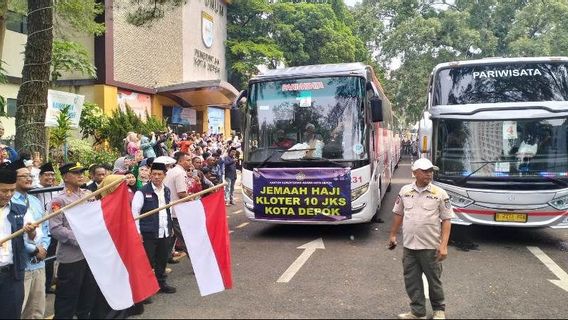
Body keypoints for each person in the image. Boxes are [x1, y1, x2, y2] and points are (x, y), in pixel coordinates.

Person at [388, 158, 454, 320]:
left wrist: (443, 245)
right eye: (425, 171)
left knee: (434, 280)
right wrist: (393, 234)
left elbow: (447, 220)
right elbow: (398, 213)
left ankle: (439, 310)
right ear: (414, 173)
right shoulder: (404, 191)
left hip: (430, 246)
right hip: (410, 246)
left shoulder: (439, 194)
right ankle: (418, 312)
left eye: (431, 171)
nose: (429, 174)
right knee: (412, 280)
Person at [49, 163, 97, 319]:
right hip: (71, 257)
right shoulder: (59, 201)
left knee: (87, 296)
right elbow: (56, 228)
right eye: (75, 173)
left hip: (90, 255)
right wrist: (80, 238)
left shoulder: (88, 194)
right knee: (67, 300)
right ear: (65, 177)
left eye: (81, 172)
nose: (80, 175)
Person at [9, 160, 50, 319]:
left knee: (36, 311)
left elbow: (45, 228)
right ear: (14, 178)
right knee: (17, 310)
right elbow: (13, 236)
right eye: (23, 176)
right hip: (21, 267)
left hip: (39, 264)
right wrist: (33, 249)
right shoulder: (9, 202)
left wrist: (44, 248)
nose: (29, 178)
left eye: (30, 175)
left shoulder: (35, 201)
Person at [131, 162, 176, 294]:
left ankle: (161, 284)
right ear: (150, 175)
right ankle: (144, 289)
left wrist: (170, 226)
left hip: (164, 231)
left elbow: (169, 209)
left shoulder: (167, 190)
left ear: (164, 176)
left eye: (159, 174)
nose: (156, 177)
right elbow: (135, 213)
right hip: (148, 233)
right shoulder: (142, 192)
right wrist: (138, 232)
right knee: (146, 262)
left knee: (162, 260)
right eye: (154, 174)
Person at [0, 167, 38, 319]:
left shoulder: (21, 210)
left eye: (11, 190)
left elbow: (34, 237)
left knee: (11, 314)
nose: (8, 195)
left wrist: (30, 231)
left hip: (12, 273)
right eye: (3, 191)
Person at [164, 152, 192, 257]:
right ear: (180, 161)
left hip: (171, 209)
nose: (190, 163)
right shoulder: (180, 173)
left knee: (171, 238)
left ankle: (164, 262)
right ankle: (197, 264)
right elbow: (181, 193)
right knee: (185, 239)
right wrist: (192, 199)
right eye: (188, 160)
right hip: (177, 211)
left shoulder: (172, 171)